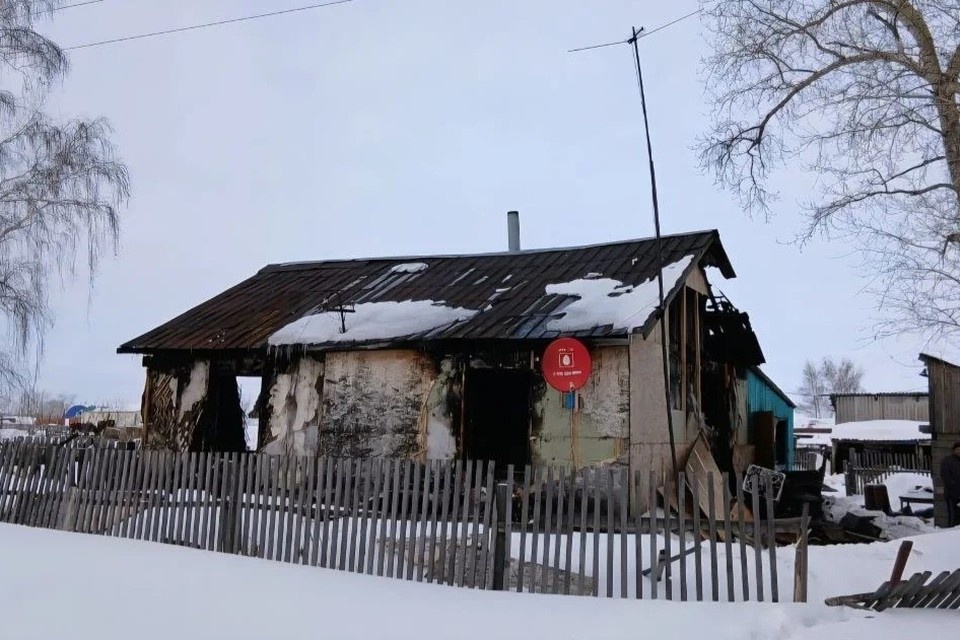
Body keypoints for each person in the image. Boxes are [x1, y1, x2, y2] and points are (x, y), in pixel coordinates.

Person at [941, 441, 960, 527]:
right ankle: (951, 535)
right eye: (958, 449)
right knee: (954, 518)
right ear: (954, 450)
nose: (959, 451)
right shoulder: (947, 461)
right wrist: (956, 492)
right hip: (952, 495)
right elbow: (946, 478)